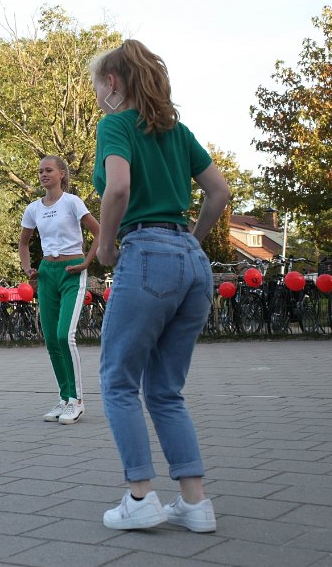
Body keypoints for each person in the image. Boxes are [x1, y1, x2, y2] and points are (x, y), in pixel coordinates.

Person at [90, 40, 229, 532]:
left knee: (118, 381)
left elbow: (119, 188)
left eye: (97, 84)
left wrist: (106, 247)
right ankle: (195, 504)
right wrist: (192, 241)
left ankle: (141, 497)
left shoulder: (115, 125)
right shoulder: (178, 131)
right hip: (192, 262)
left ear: (112, 83)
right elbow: (220, 192)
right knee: (166, 390)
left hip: (145, 254)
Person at [18, 155, 101, 426]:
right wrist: (28, 268)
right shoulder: (33, 209)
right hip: (46, 273)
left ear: (61, 174)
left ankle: (77, 401)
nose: (43, 174)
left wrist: (87, 262)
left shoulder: (72, 202)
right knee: (52, 339)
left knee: (66, 335)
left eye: (49, 170)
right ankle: (64, 398)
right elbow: (24, 243)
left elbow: (98, 231)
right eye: (40, 170)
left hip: (72, 270)